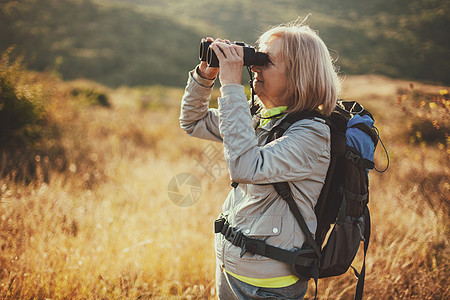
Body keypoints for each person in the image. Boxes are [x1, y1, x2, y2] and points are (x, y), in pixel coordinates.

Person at [179, 20, 340, 300]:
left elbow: (245, 167)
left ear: (298, 74)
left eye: (266, 61)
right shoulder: (260, 119)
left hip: (268, 286)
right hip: (230, 270)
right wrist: (206, 76)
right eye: (256, 57)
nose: (253, 66)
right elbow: (193, 121)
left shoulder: (312, 134)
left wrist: (231, 85)